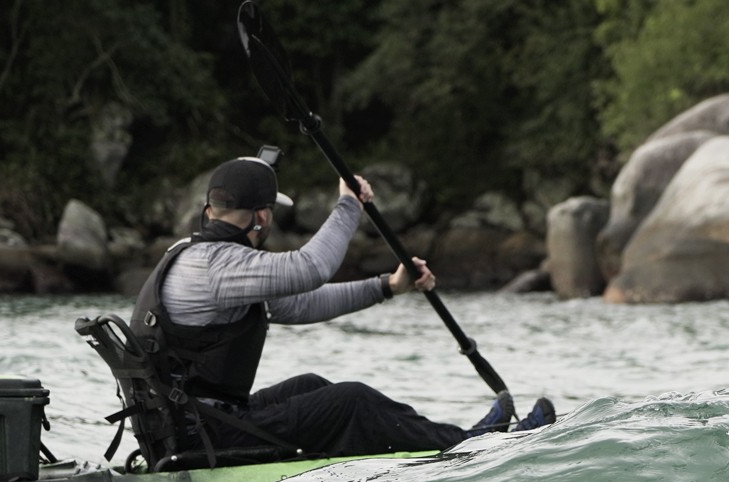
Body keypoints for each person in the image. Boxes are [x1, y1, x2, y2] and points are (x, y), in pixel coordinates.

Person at [127, 152, 553, 460]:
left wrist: (386, 286)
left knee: (311, 385)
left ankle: (455, 439)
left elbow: (297, 306)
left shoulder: (192, 254)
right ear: (262, 218)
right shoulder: (216, 266)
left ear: (209, 210)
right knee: (351, 401)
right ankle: (469, 447)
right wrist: (350, 204)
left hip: (190, 424)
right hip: (203, 435)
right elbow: (311, 268)